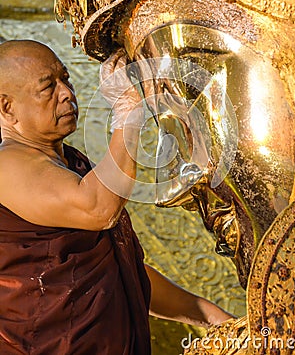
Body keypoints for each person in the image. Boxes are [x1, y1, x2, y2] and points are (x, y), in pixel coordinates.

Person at [0, 39, 232, 355]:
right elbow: (99, 209)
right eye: (47, 88)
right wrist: (128, 114)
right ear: (7, 107)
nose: (67, 93)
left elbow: (123, 271)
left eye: (65, 79)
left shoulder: (72, 164)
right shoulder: (7, 166)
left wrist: (212, 317)